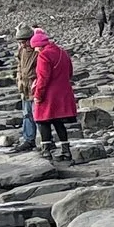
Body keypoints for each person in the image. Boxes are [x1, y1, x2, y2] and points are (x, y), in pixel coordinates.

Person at [29, 28, 78, 162]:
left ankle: (46, 151)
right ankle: (66, 151)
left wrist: (38, 95)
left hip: (49, 94)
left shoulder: (44, 55)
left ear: (40, 45)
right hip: (64, 91)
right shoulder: (62, 52)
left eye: (35, 47)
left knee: (42, 120)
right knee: (58, 121)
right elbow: (70, 73)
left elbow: (43, 78)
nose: (35, 50)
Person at [14, 26, 40, 150]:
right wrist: (19, 78)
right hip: (24, 87)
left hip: (35, 87)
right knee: (26, 114)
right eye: (20, 42)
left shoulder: (38, 51)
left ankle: (43, 141)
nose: (23, 45)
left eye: (24, 42)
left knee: (38, 115)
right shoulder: (21, 51)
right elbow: (19, 66)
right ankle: (29, 139)